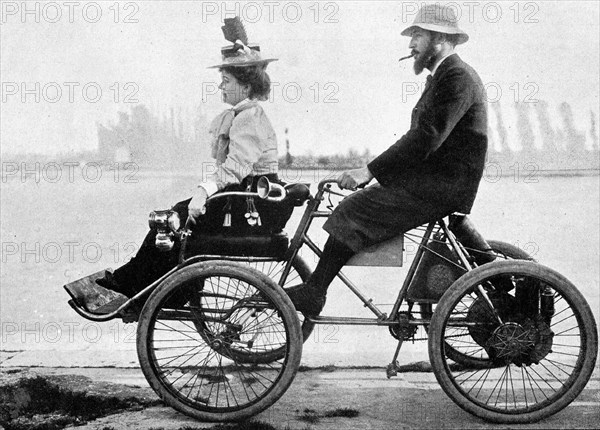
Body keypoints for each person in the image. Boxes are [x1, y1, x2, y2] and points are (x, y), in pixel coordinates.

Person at [287, 4, 488, 315]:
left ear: (440, 39)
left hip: (441, 188)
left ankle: (316, 290)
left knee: (353, 207)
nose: (410, 44)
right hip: (437, 184)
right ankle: (317, 287)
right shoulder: (444, 76)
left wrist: (369, 171)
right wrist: (376, 174)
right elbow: (423, 141)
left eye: (418, 36)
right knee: (360, 202)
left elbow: (426, 137)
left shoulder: (456, 77)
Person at [95, 18, 289, 299]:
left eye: (226, 82)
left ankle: (141, 285)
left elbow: (235, 168)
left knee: (174, 219)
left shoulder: (249, 119)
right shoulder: (243, 115)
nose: (220, 88)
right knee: (174, 216)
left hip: (249, 204)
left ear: (245, 88)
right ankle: (145, 282)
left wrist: (203, 192)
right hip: (243, 199)